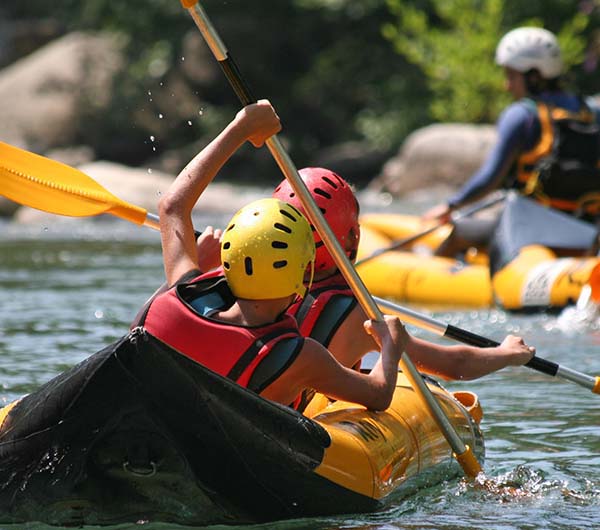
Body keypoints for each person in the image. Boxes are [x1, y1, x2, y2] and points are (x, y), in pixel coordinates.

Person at [135, 99, 407, 411]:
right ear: (302, 277)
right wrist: (390, 347)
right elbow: (378, 394)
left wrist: (240, 129)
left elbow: (172, 206)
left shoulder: (174, 298)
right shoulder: (300, 356)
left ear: (228, 261)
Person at [273, 166, 535, 410]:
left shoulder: (250, 287)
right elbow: (456, 366)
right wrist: (506, 353)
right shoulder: (360, 317)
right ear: (353, 236)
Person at [423, 26, 600, 257]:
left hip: (530, 229)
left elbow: (490, 178)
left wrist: (451, 206)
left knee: (460, 233)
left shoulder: (521, 115)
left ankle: (436, 274)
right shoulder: (592, 111)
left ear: (534, 76)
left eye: (511, 76)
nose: (507, 85)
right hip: (588, 231)